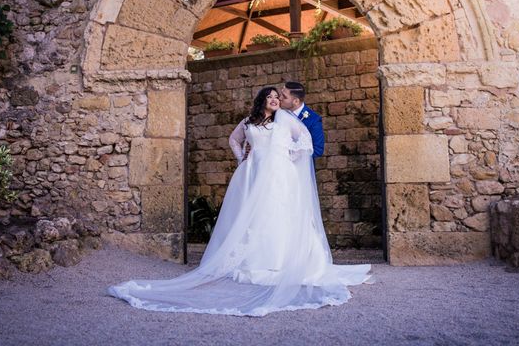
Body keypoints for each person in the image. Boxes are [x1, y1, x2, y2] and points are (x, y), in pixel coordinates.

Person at [108, 87, 372, 316]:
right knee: (253, 216)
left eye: (276, 97)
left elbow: (305, 142)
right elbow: (233, 140)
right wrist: (241, 158)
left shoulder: (286, 120)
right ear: (261, 101)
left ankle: (279, 261)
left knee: (279, 215)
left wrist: (288, 157)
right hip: (252, 173)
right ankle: (252, 260)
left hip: (281, 175)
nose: (274, 100)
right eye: (269, 97)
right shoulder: (248, 122)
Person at [279, 81, 325, 158]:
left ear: (296, 101)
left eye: (284, 97)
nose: (280, 98)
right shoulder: (278, 113)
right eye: (281, 94)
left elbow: (317, 150)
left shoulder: (314, 120)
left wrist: (292, 157)